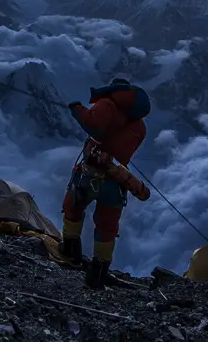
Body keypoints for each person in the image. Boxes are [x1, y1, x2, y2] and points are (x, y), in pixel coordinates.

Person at [60, 76, 151, 288]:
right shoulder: (140, 126)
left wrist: (76, 109)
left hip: (89, 174)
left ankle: (71, 252)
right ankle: (98, 270)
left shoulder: (107, 103)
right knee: (107, 226)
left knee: (73, 206)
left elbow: (94, 126)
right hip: (116, 181)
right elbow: (123, 151)